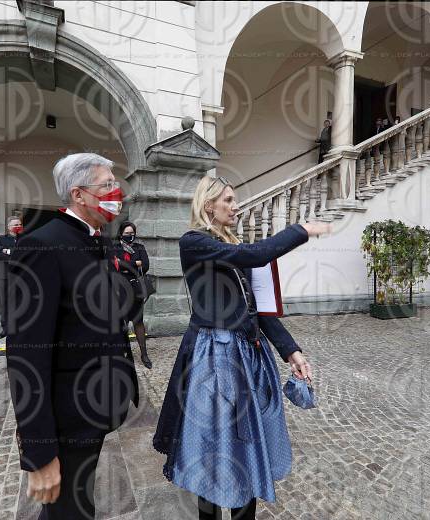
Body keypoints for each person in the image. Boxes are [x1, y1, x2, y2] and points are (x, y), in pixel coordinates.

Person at [153, 175, 331, 520]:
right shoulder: (194, 242)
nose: (236, 207)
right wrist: (301, 230)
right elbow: (256, 253)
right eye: (229, 201)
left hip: (247, 354)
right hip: (214, 356)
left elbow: (257, 309)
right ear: (209, 205)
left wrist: (290, 350)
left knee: (247, 444)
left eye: (235, 200)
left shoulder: (231, 245)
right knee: (212, 445)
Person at [6, 153, 139, 520]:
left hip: (95, 407)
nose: (117, 192)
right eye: (107, 185)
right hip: (68, 417)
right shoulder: (42, 246)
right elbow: (26, 355)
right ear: (79, 195)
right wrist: (39, 453)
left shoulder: (98, 239)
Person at [116, 220, 152, 369]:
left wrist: (125, 266)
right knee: (121, 323)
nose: (130, 236)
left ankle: (144, 354)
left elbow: (146, 265)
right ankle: (125, 354)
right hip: (119, 290)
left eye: (132, 233)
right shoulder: (115, 248)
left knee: (138, 321)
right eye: (127, 234)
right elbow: (113, 265)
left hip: (136, 290)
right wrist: (134, 264)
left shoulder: (140, 247)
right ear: (121, 234)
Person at [0, 215, 23, 339]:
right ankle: (6, 328)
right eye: (16, 225)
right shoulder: (1, 239)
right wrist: (14, 254)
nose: (18, 226)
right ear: (9, 227)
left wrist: (8, 251)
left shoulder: (26, 239)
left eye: (20, 224)